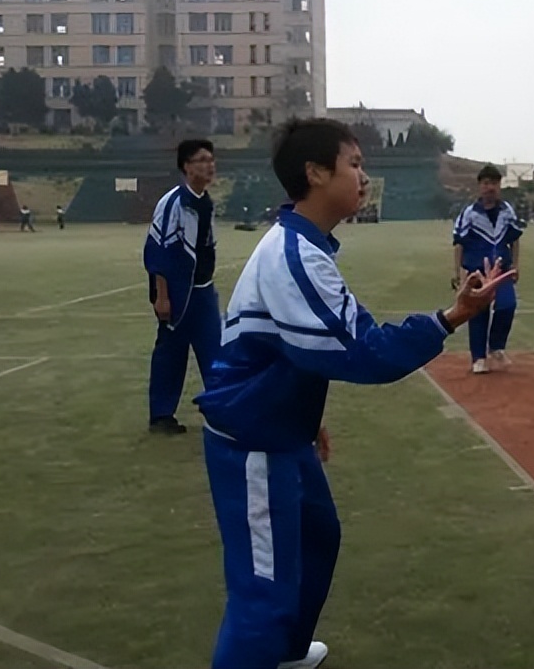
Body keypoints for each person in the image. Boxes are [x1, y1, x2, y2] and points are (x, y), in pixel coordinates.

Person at [193, 118, 513, 669]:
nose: (364, 176)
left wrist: (303, 407)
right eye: (355, 164)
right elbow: (363, 351)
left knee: (319, 537)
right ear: (315, 173)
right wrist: (452, 316)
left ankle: (288, 653)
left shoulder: (304, 247)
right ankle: (267, 646)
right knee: (261, 595)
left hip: (281, 422)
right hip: (253, 440)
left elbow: (286, 345)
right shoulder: (294, 257)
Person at [142, 139, 221, 435]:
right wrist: (162, 297)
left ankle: (219, 410)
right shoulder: (172, 203)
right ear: (186, 167)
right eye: (201, 160)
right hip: (176, 292)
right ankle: (161, 415)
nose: (209, 166)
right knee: (170, 354)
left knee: (215, 351)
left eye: (211, 160)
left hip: (203, 290)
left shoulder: (205, 202)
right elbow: (158, 252)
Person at [452, 164, 522, 374]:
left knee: (507, 305)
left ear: (499, 185)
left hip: (501, 271)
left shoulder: (507, 211)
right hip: (477, 273)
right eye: (485, 183)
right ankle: (478, 358)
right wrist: (457, 273)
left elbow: (515, 239)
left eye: (494, 183)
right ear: (479, 186)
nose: (489, 187)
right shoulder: (469, 214)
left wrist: (516, 265)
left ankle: (496, 346)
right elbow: (458, 243)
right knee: (478, 313)